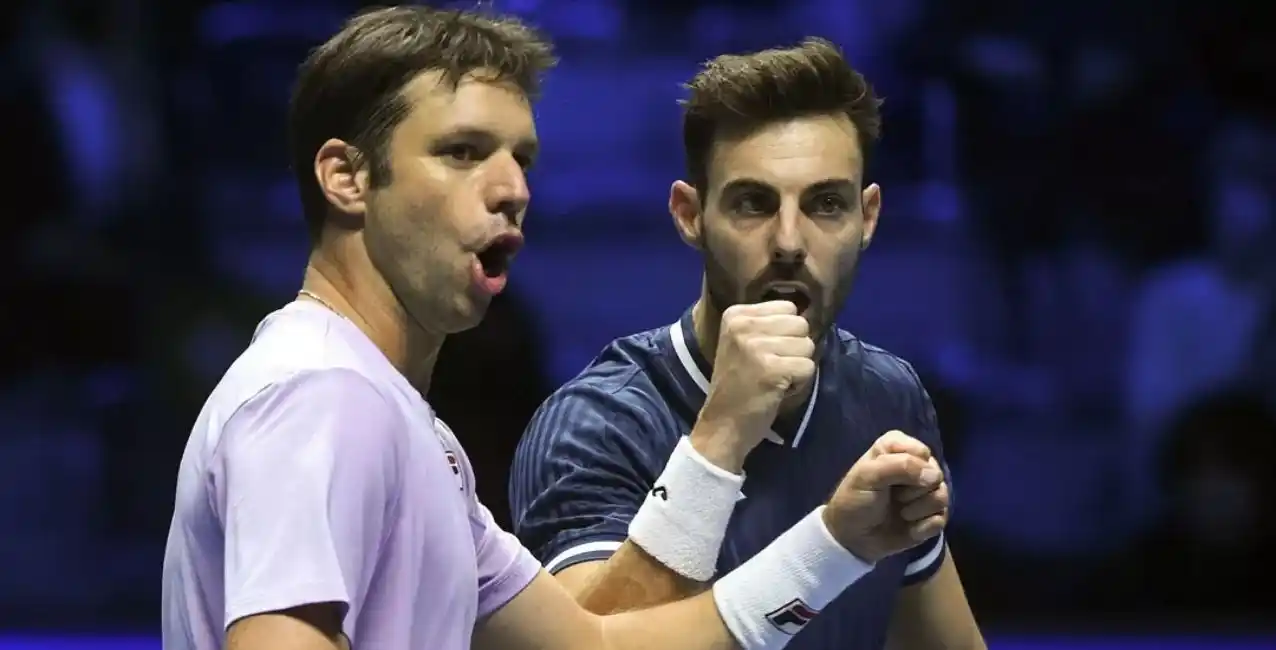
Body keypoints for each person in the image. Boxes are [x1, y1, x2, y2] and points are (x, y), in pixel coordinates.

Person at [160, 9, 950, 650]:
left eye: (522, 159)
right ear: (347, 177)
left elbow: (597, 647)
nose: (511, 190)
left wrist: (838, 545)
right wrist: (724, 437)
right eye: (464, 152)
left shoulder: (398, 422)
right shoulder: (320, 396)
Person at [509, 39, 984, 650]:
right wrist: (722, 434)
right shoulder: (594, 425)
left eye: (827, 204)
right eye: (754, 204)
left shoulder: (889, 396)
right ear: (690, 214)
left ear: (867, 219)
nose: (789, 241)